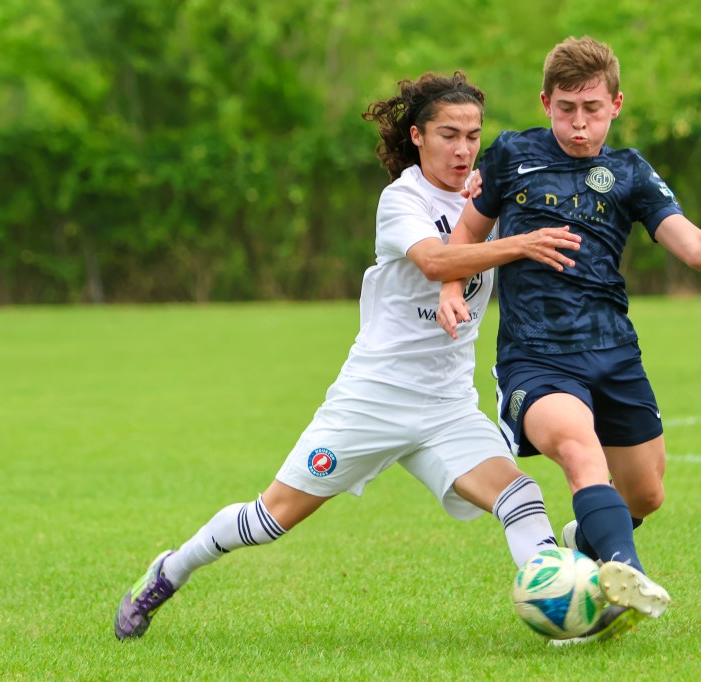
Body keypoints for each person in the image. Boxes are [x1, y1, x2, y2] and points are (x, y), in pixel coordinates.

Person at [113, 71, 597, 642]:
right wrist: (524, 244)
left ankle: (565, 611)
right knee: (270, 519)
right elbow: (439, 262)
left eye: (473, 135)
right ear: (417, 136)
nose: (463, 149)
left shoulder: (486, 194)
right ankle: (169, 571)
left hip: (446, 404)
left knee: (520, 497)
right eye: (448, 134)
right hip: (372, 399)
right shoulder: (402, 201)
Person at [438, 36, 701, 630]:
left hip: (613, 350)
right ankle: (623, 575)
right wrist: (448, 287)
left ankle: (588, 537)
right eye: (566, 108)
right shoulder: (511, 155)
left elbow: (693, 247)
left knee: (645, 494)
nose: (579, 123)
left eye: (592, 108)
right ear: (545, 103)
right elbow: (463, 237)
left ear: (616, 103)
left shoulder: (631, 172)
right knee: (578, 449)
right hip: (536, 355)